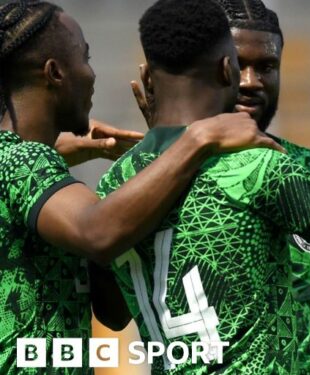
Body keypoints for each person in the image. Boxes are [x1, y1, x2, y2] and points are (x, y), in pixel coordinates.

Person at [95, 0, 310, 372]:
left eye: (266, 67)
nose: (250, 83)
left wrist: (163, 141)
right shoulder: (258, 169)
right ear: (220, 67)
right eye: (239, 64)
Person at [0, 0, 280, 371]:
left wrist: (158, 155)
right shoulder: (24, 161)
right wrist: (196, 140)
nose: (93, 74)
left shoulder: (25, 161)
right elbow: (97, 232)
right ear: (54, 73)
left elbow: (112, 307)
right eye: (85, 57)